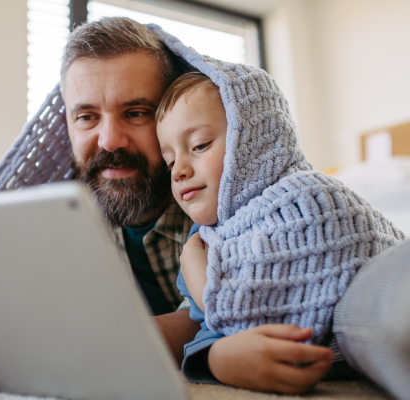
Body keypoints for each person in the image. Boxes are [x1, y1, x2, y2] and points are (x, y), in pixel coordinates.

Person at [0, 17, 200, 388]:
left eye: (136, 113)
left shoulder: (224, 213)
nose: (109, 140)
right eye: (86, 117)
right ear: (66, 125)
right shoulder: (52, 222)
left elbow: (223, 313)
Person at [154, 69, 404, 394]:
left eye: (199, 145)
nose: (180, 171)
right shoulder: (203, 240)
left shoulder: (308, 196)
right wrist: (215, 357)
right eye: (170, 161)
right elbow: (207, 328)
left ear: (254, 141)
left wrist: (203, 284)